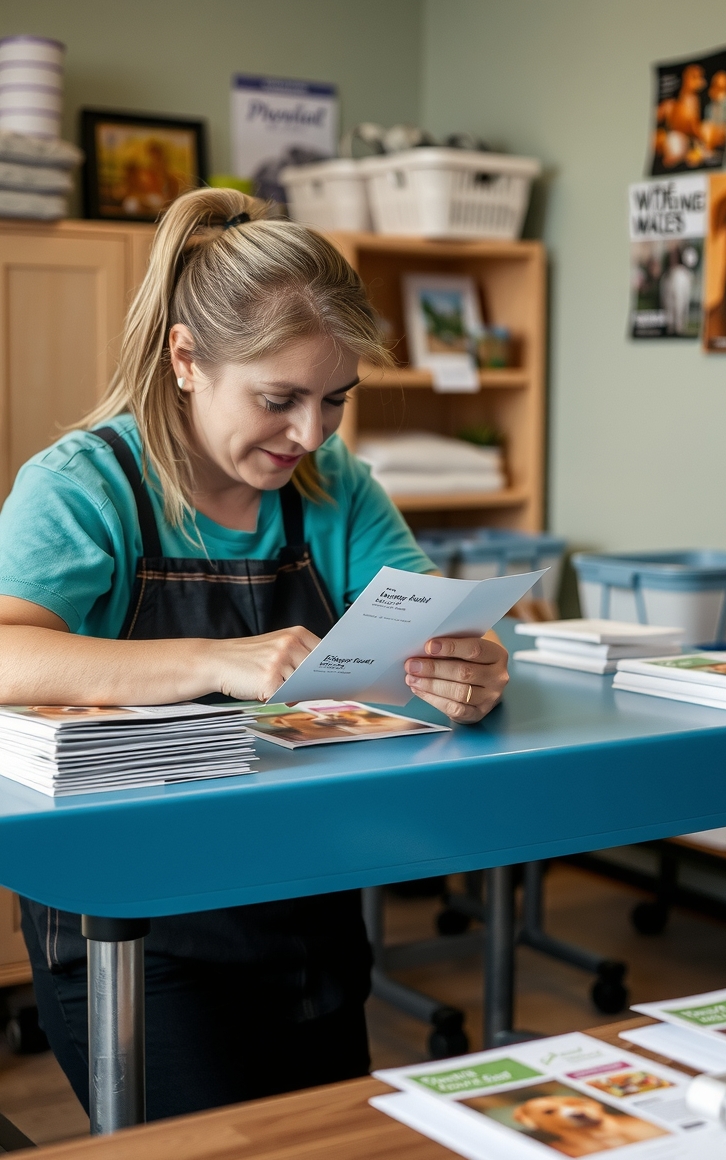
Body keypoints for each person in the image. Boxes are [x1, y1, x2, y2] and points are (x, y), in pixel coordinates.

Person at [0, 188, 509, 1119]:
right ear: (186, 359)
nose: (310, 435)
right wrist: (215, 659)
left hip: (310, 902)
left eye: (336, 400)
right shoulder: (83, 487)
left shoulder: (333, 485)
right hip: (136, 927)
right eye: (280, 400)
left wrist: (471, 662)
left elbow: (435, 616)